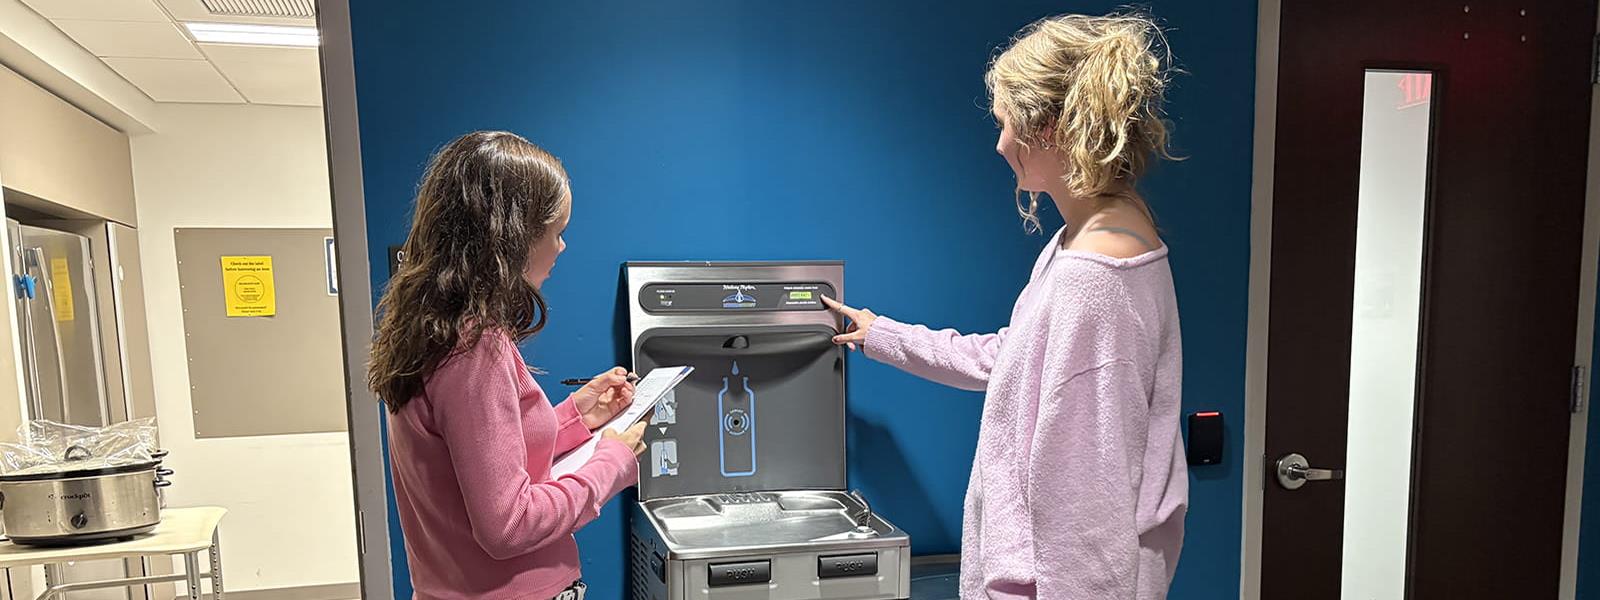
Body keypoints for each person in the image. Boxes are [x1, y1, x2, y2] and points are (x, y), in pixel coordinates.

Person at [823, 13, 1187, 599]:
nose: (999, 145)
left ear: (1052, 128)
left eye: (1006, 124)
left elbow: (1085, 498)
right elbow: (1015, 360)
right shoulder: (1108, 228)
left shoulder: (1090, 276)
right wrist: (882, 334)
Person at [367, 131, 647, 600]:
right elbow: (509, 526)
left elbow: (484, 457)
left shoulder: (434, 328)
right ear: (512, 236)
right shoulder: (475, 348)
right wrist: (610, 464)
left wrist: (578, 416)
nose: (561, 247)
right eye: (555, 231)